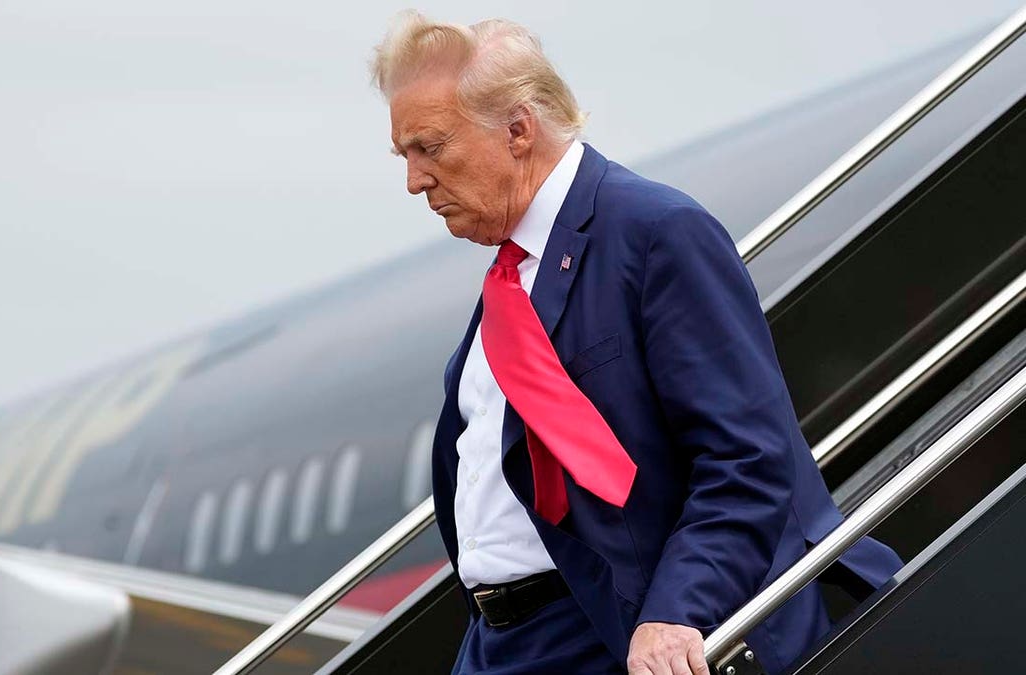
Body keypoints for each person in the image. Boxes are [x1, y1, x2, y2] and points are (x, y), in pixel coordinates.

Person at [370, 12, 902, 675]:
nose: (415, 181)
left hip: (613, 635)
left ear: (516, 129)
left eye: (430, 147)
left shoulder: (655, 233)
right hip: (500, 646)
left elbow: (747, 459)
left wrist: (678, 609)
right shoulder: (509, 282)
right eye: (406, 156)